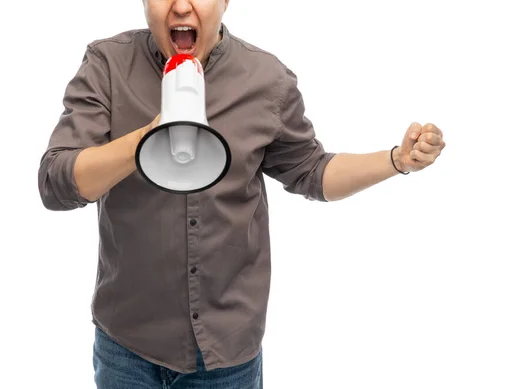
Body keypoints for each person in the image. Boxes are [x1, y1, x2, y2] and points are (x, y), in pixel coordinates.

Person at [37, 0, 446, 388]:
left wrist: (397, 160)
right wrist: (148, 139)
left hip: (226, 355)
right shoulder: (107, 64)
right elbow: (56, 183)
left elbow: (313, 172)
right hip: (126, 346)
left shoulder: (266, 80)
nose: (180, 7)